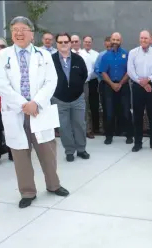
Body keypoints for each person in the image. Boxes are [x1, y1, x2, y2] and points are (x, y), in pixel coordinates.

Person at [0, 16, 69, 208]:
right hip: (15, 111)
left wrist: (36, 102)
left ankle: (53, 185)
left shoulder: (43, 55)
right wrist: (23, 104)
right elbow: (2, 85)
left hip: (39, 111)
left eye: (23, 29)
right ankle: (27, 191)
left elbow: (51, 81)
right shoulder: (2, 56)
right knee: (20, 154)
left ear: (31, 33)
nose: (19, 33)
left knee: (48, 151)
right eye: (15, 29)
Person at [51, 32, 90, 162]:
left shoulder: (78, 59)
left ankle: (81, 149)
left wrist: (76, 87)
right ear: (56, 44)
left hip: (77, 98)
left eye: (66, 42)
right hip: (59, 99)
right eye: (60, 42)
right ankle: (69, 151)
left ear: (70, 43)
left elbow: (84, 75)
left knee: (79, 124)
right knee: (64, 127)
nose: (63, 44)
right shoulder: (51, 60)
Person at [127, 30, 152, 152]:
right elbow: (130, 71)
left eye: (146, 38)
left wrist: (148, 79)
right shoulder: (133, 53)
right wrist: (142, 83)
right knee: (137, 115)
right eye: (141, 38)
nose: (143, 40)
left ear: (150, 40)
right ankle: (137, 143)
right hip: (138, 87)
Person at [99, 32, 133, 145]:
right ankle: (109, 136)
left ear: (121, 41)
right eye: (113, 39)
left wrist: (121, 83)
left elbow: (129, 71)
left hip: (123, 86)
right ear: (110, 41)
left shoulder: (126, 54)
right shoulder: (105, 56)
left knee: (126, 111)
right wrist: (112, 84)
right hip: (109, 86)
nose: (115, 42)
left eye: (117, 40)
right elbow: (103, 72)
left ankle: (129, 135)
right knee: (109, 112)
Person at [0, 37, 13, 166]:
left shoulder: (10, 63)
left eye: (2, 46)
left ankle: (13, 154)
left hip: (9, 103)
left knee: (11, 129)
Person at [94, 36, 111, 134]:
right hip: (104, 84)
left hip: (116, 84)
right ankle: (107, 129)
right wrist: (105, 78)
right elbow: (97, 69)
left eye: (110, 46)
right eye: (107, 46)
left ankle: (119, 128)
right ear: (105, 44)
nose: (109, 48)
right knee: (106, 107)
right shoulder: (101, 55)